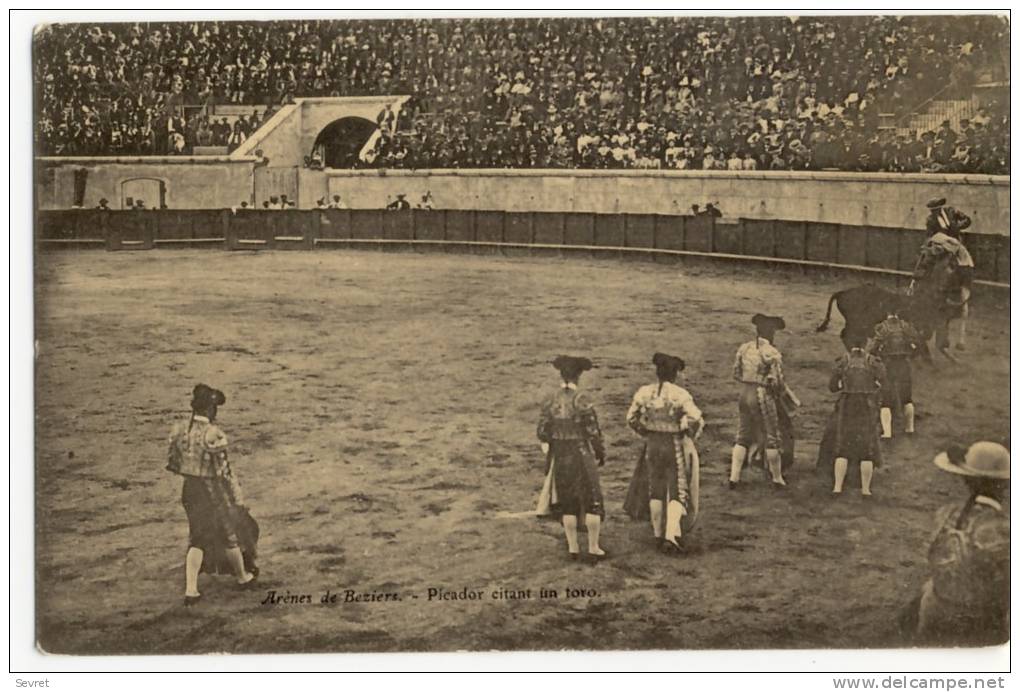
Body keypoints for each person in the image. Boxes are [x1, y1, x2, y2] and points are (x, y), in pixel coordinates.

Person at [908, 441, 1009, 645]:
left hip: (937, 606)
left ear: (966, 480)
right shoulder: (1004, 528)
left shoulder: (946, 514)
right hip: (980, 622)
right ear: (1004, 484)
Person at [167, 384, 258, 606]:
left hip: (189, 490)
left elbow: (173, 463)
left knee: (197, 537)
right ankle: (242, 577)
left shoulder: (180, 431)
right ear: (209, 409)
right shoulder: (213, 434)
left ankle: (191, 590)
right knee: (229, 533)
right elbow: (224, 473)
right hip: (212, 491)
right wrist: (237, 498)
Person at [623, 353, 704, 554]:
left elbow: (631, 418)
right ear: (675, 374)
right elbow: (695, 418)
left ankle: (658, 535)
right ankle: (670, 535)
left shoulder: (644, 392)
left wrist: (645, 431)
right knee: (678, 488)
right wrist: (686, 430)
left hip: (652, 444)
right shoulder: (680, 394)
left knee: (656, 488)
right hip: (673, 443)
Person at [535, 356, 608, 562]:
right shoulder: (582, 399)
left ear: (561, 374)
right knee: (592, 499)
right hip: (580, 453)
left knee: (568, 502)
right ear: (578, 376)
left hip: (560, 454)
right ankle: (593, 548)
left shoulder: (550, 399)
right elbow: (592, 430)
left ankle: (573, 548)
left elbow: (542, 431)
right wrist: (599, 452)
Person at [729, 314, 795, 489]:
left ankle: (734, 477)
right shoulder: (772, 353)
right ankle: (777, 478)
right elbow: (777, 382)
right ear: (771, 333)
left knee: (742, 435)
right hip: (761, 394)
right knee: (772, 437)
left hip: (744, 392)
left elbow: (735, 373)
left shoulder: (744, 348)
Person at [825, 331, 886, 497]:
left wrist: (842, 386)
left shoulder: (842, 362)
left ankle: (837, 487)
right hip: (866, 406)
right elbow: (882, 382)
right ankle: (866, 489)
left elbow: (832, 387)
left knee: (843, 446)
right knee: (867, 448)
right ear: (865, 343)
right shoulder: (873, 362)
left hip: (847, 406)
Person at [870, 310, 922, 438]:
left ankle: (887, 433)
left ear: (887, 312)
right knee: (907, 398)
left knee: (886, 399)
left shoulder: (882, 328)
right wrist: (910, 355)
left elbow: (873, 349)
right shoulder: (906, 327)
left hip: (888, 365)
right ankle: (910, 429)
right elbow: (918, 345)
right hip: (904, 364)